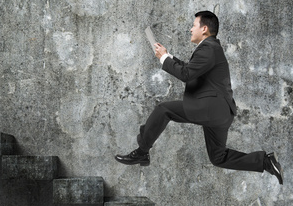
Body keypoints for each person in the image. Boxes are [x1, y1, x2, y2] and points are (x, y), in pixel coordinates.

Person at [115, 11, 283, 185]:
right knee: (218, 157)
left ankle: (142, 151)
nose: (190, 29)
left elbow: (186, 74)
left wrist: (164, 58)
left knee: (163, 110)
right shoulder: (211, 48)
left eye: (193, 26)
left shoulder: (209, 47)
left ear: (204, 29)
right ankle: (265, 162)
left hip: (212, 109)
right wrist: (167, 56)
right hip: (221, 113)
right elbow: (192, 70)